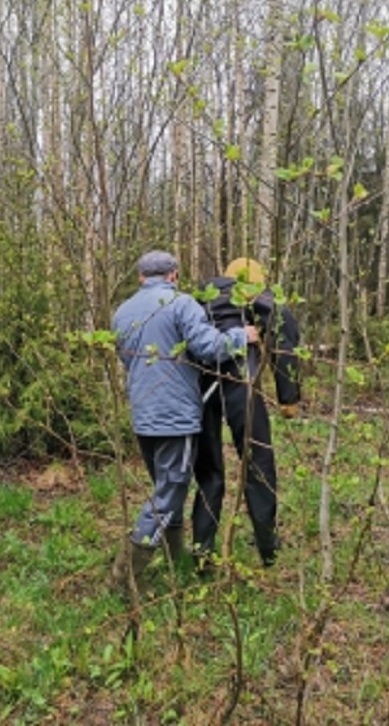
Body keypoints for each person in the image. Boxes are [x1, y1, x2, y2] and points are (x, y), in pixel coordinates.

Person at [110, 250, 258, 595]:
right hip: (176, 417)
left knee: (164, 486)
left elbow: (124, 358)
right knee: (168, 491)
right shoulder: (182, 304)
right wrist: (241, 336)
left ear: (140, 278)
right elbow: (208, 348)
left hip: (143, 414)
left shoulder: (122, 312)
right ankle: (125, 576)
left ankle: (174, 559)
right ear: (174, 275)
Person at [192, 257, 301, 568]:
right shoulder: (262, 299)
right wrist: (288, 399)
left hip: (201, 386)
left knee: (209, 471)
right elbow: (284, 345)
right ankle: (268, 549)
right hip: (241, 382)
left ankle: (202, 551)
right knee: (258, 464)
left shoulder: (200, 299)